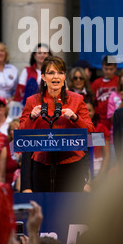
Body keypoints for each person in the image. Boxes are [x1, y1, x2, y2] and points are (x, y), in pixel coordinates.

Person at [19, 56, 95, 192]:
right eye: (51, 73)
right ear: (43, 77)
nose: (56, 76)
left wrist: (75, 117)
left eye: (60, 72)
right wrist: (31, 117)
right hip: (42, 164)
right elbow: (21, 134)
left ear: (65, 76)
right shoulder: (32, 101)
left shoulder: (77, 99)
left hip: (72, 164)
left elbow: (91, 131)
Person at [91, 56, 118, 135]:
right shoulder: (96, 83)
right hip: (100, 120)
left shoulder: (118, 81)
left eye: (111, 69)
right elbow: (93, 101)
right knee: (99, 143)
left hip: (114, 119)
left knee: (113, 144)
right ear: (102, 67)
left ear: (115, 68)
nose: (108, 71)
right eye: (106, 69)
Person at [0, 119, 21, 185]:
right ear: (9, 132)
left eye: (18, 128)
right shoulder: (6, 150)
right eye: (12, 129)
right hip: (9, 187)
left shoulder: (28, 149)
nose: (15, 131)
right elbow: (1, 175)